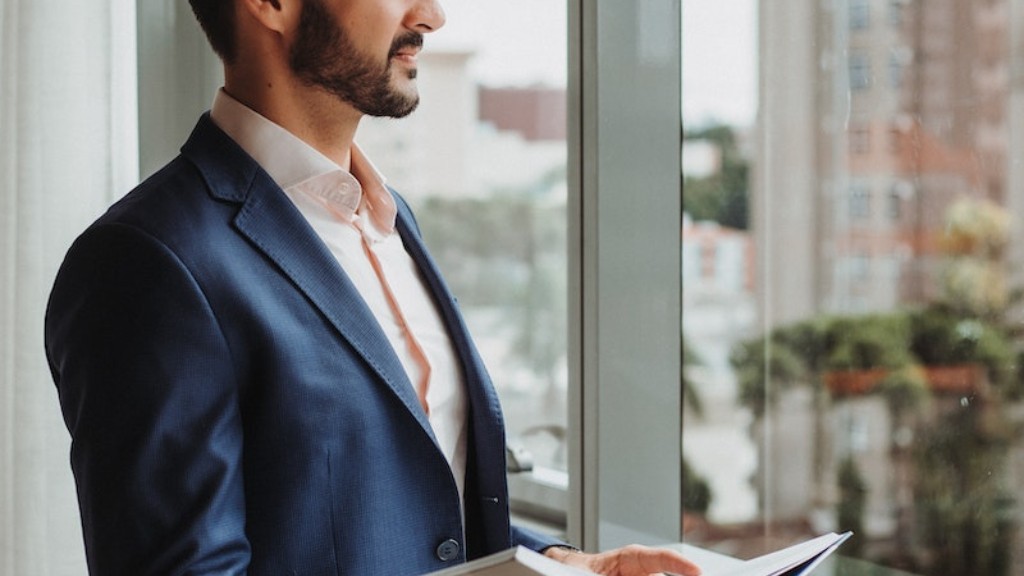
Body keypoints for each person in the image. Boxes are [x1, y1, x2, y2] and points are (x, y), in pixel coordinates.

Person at [44, 0, 701, 574]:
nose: (432, 15)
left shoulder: (390, 219)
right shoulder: (144, 262)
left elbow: (415, 524)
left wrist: (559, 565)